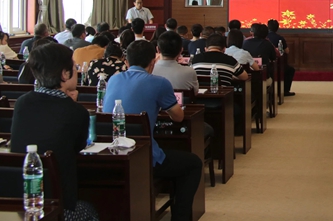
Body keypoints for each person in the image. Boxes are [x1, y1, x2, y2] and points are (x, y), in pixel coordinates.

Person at [103, 41, 202, 221]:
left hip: (111, 153)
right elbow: (178, 117)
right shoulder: (159, 82)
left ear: (126, 61)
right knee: (193, 164)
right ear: (152, 62)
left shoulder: (113, 79)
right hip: (143, 157)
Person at [10, 42, 98, 220]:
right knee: (90, 210)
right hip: (59, 207)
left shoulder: (21, 103)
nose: (76, 71)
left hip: (20, 203)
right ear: (65, 74)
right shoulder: (76, 112)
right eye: (74, 67)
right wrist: (71, 103)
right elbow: (78, 147)